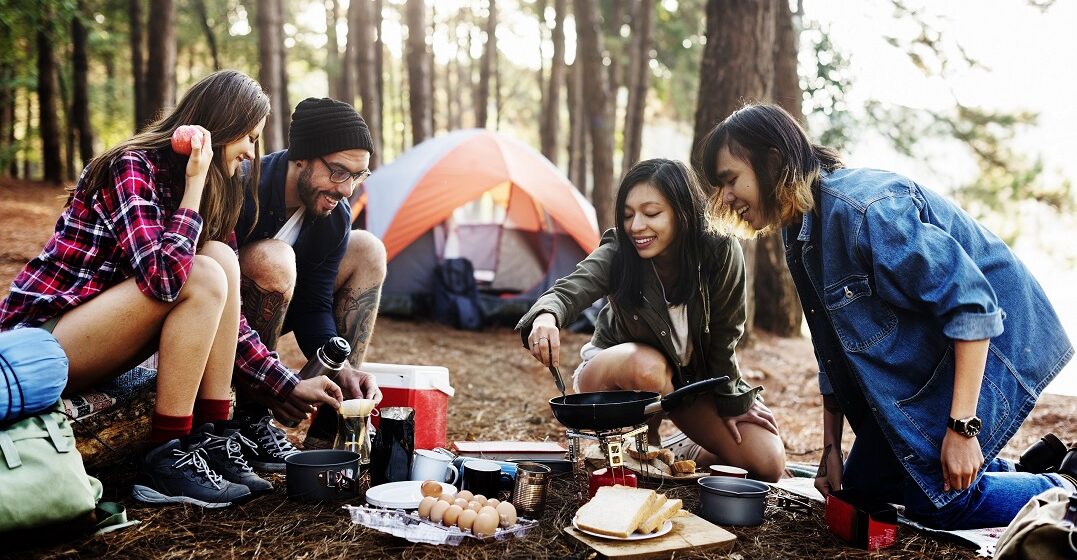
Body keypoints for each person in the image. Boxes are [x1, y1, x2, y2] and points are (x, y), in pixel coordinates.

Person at [698, 103, 1075, 529]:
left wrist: (963, 429)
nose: (725, 197)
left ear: (773, 160)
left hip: (996, 339)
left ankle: (1070, 488)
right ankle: (1033, 468)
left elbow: (973, 307)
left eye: (731, 180)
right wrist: (830, 449)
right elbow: (831, 352)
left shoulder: (867, 210)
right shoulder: (798, 230)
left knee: (938, 503)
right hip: (937, 356)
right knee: (860, 494)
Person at [0, 70, 343, 507]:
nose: (252, 153)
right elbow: (164, 281)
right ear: (224, 126)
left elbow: (227, 313)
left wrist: (284, 383)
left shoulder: (216, 187)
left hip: (97, 338)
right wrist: (194, 187)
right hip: (41, 342)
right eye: (250, 138)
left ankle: (211, 438)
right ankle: (166, 459)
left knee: (219, 259)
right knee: (201, 272)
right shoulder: (132, 166)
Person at [517, 158, 786, 482]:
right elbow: (572, 288)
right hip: (615, 378)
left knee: (768, 463)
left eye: (652, 213)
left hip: (682, 388)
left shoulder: (720, 251)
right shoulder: (620, 249)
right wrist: (547, 316)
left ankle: (683, 448)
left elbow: (725, 338)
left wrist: (733, 400)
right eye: (629, 214)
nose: (636, 226)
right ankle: (639, 445)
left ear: (683, 212)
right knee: (647, 367)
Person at [230, 97, 385, 466]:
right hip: (219, 326)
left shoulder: (334, 216)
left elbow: (315, 306)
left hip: (276, 315)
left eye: (358, 176)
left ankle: (334, 422)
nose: (347, 189)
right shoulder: (242, 189)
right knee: (274, 259)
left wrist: (341, 369)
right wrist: (276, 382)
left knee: (368, 249)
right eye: (338, 172)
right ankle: (249, 418)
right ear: (301, 157)